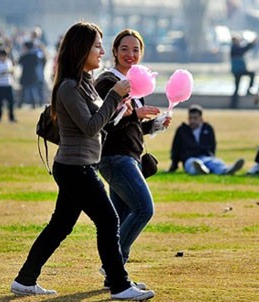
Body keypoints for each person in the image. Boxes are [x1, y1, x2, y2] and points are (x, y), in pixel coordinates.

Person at [10, 22, 155, 301]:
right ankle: (120, 285)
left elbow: (101, 125)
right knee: (109, 220)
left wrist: (120, 109)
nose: (102, 51)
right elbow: (90, 127)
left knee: (61, 225)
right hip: (75, 168)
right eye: (97, 46)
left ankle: (25, 280)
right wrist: (114, 97)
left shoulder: (86, 82)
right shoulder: (68, 87)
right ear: (81, 49)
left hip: (82, 164)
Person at [94, 29, 170, 289]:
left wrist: (156, 124)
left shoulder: (137, 84)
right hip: (115, 157)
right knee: (144, 209)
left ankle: (115, 277)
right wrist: (134, 116)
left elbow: (132, 127)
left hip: (131, 156)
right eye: (124, 48)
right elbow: (102, 124)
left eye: (136, 50)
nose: (130, 54)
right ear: (114, 51)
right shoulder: (107, 82)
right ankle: (112, 265)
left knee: (118, 218)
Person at [168, 104, 244, 175]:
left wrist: (211, 155)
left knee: (216, 163)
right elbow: (175, 148)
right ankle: (201, 170)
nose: (192, 121)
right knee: (194, 164)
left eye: (195, 118)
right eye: (190, 118)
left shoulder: (208, 128)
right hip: (189, 158)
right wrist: (174, 165)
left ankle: (227, 170)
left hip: (206, 156)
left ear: (201, 118)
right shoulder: (182, 130)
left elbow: (213, 145)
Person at [230, 34, 257, 108]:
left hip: (238, 70)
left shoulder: (235, 48)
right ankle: (248, 90)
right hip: (238, 71)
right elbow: (243, 50)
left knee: (236, 88)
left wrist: (251, 44)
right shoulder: (234, 48)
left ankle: (233, 105)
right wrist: (251, 44)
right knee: (251, 74)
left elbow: (243, 49)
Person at [0, 47, 16, 122]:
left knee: (11, 102)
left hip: (8, 84)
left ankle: (11, 117)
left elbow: (11, 71)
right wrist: (2, 72)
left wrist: (12, 73)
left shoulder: (8, 62)